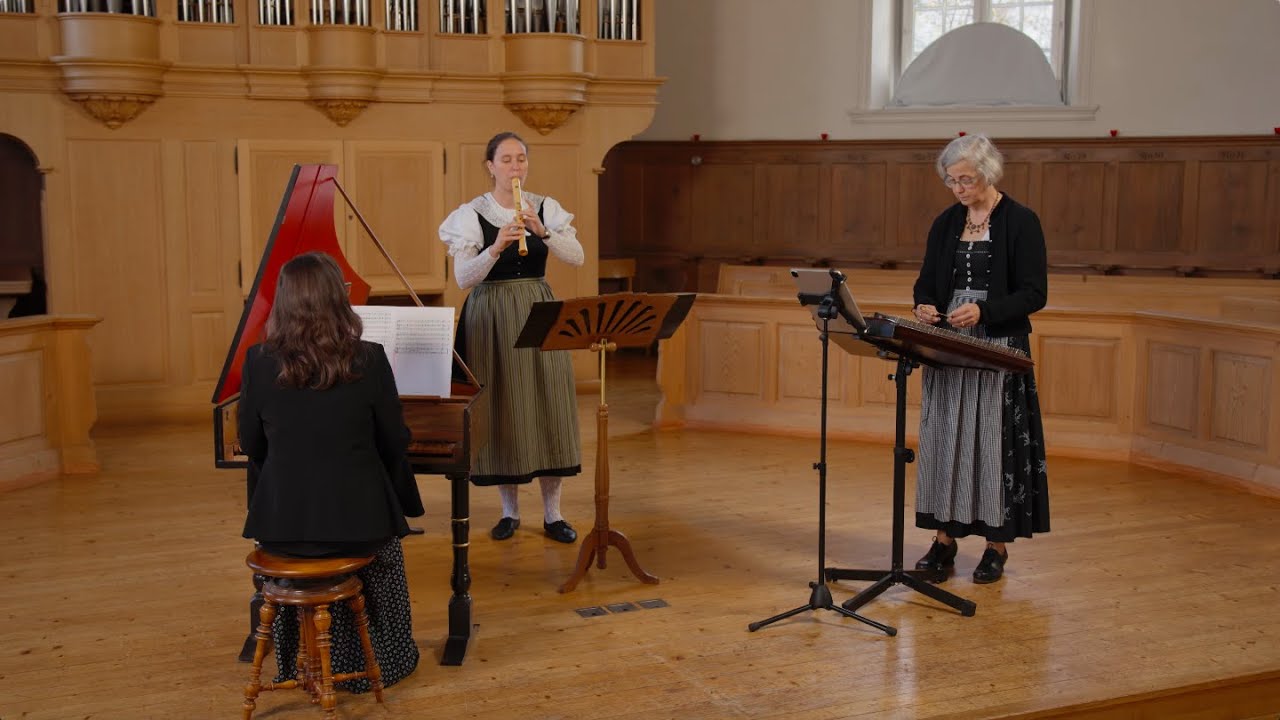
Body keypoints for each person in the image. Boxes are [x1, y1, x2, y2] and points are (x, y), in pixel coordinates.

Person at [238, 251, 424, 692]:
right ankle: (383, 660)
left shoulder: (259, 361)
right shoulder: (370, 358)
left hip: (284, 527)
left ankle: (297, 661)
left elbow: (252, 446)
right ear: (337, 301)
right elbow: (396, 442)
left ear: (283, 302)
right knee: (386, 542)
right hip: (358, 526)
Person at [910, 134, 1050, 584]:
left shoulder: (1021, 221)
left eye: (965, 179)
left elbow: (1034, 293)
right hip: (950, 345)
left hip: (998, 347)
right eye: (951, 181)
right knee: (947, 438)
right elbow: (926, 281)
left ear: (988, 173)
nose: (958, 189)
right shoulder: (945, 222)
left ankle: (995, 545)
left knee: (992, 443)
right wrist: (925, 305)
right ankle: (944, 540)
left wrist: (986, 311)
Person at [438, 131, 584, 544]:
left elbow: (577, 258)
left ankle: (554, 514)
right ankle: (509, 512)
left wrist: (544, 232)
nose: (515, 167)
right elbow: (464, 279)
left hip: (539, 308)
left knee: (548, 402)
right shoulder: (470, 215)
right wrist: (495, 247)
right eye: (506, 160)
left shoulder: (544, 207)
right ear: (490, 166)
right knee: (506, 406)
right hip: (492, 315)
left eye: (521, 159)